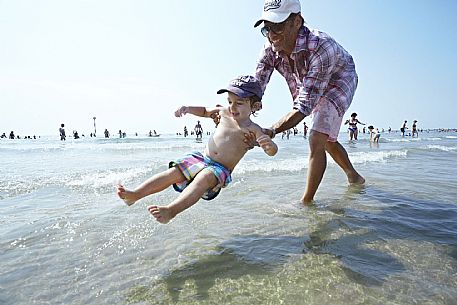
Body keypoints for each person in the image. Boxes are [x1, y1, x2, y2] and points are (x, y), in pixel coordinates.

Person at [116, 75, 278, 224]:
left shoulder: (254, 129)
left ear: (255, 106)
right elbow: (204, 111)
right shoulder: (223, 112)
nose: (232, 107)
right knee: (173, 173)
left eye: (239, 103)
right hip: (201, 158)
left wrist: (269, 147)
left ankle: (171, 211)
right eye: (230, 101)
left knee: (204, 178)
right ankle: (135, 195)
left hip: (219, 169)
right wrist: (187, 108)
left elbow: (271, 150)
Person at [252, 0, 365, 203]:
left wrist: (271, 130)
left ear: (297, 21)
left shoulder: (322, 47)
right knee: (326, 139)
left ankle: (306, 202)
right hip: (310, 81)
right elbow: (256, 87)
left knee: (316, 137)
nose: (271, 35)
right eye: (266, 28)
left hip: (339, 78)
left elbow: (304, 107)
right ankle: (354, 176)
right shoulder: (269, 49)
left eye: (277, 26)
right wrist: (235, 112)